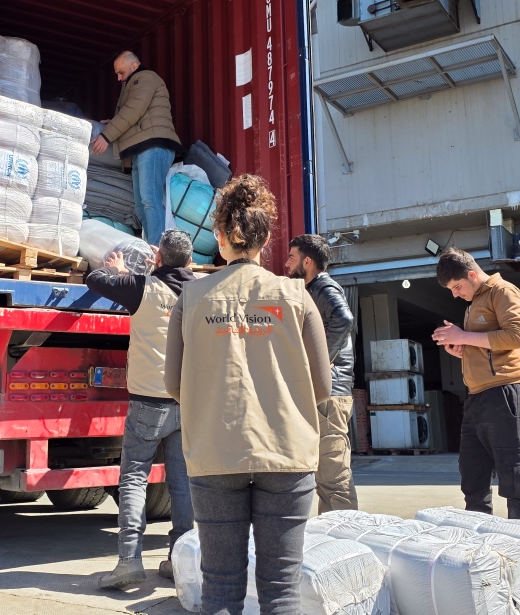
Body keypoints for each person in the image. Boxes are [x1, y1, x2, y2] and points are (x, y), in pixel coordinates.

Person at [165, 175, 331, 615]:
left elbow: (171, 383)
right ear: (266, 239)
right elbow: (324, 385)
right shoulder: (296, 295)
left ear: (220, 236)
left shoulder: (192, 296)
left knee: (219, 588)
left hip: (215, 452)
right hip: (288, 451)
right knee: (281, 590)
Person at [85, 229, 198, 589]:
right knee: (182, 485)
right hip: (187, 402)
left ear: (158, 258)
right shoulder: (201, 291)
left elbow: (94, 278)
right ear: (191, 261)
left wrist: (120, 269)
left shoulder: (141, 288)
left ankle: (129, 562)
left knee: (134, 478)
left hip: (148, 402)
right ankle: (180, 561)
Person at [430, 247, 520, 520]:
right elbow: (485, 345)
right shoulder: (474, 303)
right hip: (478, 396)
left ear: (472, 274)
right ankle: (480, 538)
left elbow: (516, 336)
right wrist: (462, 348)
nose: (455, 293)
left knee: (512, 470)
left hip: (507, 390)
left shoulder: (503, 291)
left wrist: (464, 336)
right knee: (472, 472)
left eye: (457, 286)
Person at [285, 234, 358, 513]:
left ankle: (344, 541)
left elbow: (344, 318)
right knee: (322, 474)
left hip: (331, 394)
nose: (286, 263)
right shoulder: (309, 289)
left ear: (307, 261)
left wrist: (321, 360)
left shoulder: (324, 287)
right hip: (321, 394)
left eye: (292, 257)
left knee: (332, 474)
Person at [91, 51, 181, 244]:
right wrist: (113, 121)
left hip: (154, 144)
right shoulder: (133, 82)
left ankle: (157, 251)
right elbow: (134, 113)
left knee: (150, 199)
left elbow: (134, 110)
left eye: (121, 72)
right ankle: (152, 247)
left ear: (134, 66)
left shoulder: (146, 78)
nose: (118, 77)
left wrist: (107, 135)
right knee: (140, 207)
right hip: (140, 148)